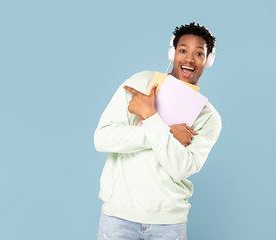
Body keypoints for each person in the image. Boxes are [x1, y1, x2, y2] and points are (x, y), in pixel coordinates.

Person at [94, 22, 222, 240]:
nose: (189, 59)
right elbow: (102, 139)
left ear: (208, 60)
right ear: (172, 53)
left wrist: (151, 117)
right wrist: (167, 131)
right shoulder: (140, 84)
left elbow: (182, 168)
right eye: (183, 50)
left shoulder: (209, 117)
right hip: (118, 217)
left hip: (169, 224)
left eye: (199, 53)